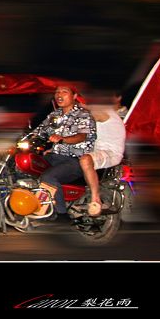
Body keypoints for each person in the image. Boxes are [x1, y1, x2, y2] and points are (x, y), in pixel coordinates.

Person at [32, 85, 96, 219]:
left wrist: (63, 139)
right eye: (57, 92)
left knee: (48, 177)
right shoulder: (54, 115)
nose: (59, 95)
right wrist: (27, 138)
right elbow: (39, 131)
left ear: (74, 96)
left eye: (64, 92)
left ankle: (61, 214)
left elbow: (81, 136)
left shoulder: (83, 114)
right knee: (24, 167)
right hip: (53, 157)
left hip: (74, 160)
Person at [78, 100, 126, 215]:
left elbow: (89, 113)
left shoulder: (105, 112)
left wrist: (77, 106)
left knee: (86, 160)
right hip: (99, 150)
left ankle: (95, 199)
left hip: (111, 153)